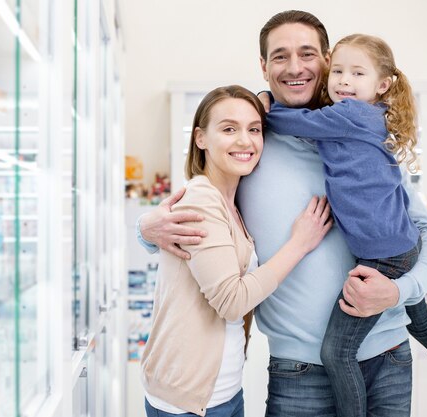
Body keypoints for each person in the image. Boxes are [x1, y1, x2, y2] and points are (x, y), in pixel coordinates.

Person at [137, 10, 427, 417]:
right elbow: (206, 214)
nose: (295, 67)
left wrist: (399, 291)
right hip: (298, 370)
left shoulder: (363, 140)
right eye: (280, 56)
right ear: (264, 68)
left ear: (327, 60)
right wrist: (146, 229)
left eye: (307, 53)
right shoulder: (250, 144)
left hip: (387, 356)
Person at [265, 33, 427, 417]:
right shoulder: (362, 118)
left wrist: (261, 105)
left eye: (356, 73)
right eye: (340, 72)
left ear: (382, 85)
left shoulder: (348, 115)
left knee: (337, 352)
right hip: (397, 247)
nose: (345, 80)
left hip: (383, 258)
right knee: (421, 319)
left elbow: (289, 121)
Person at [140, 85, 333, 417]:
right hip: (186, 401)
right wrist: (299, 244)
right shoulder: (202, 199)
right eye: (229, 129)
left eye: (254, 129)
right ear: (200, 138)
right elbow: (232, 302)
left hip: (224, 391)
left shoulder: (233, 201)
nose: (245, 141)